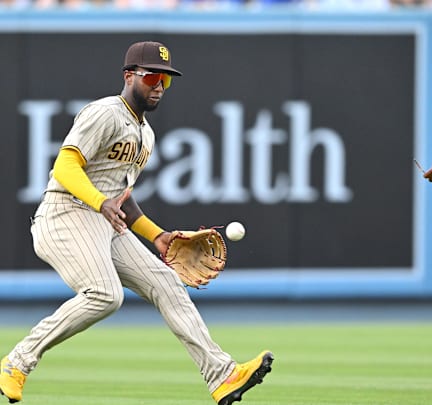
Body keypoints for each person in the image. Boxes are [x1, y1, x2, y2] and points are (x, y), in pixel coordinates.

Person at [0, 41, 273, 405]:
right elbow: (65, 167)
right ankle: (15, 364)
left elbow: (122, 199)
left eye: (167, 80)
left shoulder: (146, 134)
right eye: (153, 77)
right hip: (65, 214)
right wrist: (99, 202)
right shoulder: (106, 112)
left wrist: (157, 236)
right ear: (130, 76)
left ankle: (222, 375)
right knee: (105, 295)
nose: (159, 85)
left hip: (103, 221)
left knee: (167, 284)